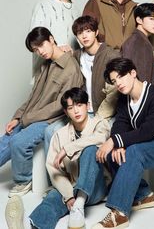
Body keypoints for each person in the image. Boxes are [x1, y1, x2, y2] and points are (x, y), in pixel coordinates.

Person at [92, 58, 154, 228]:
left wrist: (115, 140)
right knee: (114, 153)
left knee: (134, 152)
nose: (119, 84)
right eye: (115, 81)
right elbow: (120, 123)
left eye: (121, 77)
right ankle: (144, 195)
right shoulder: (124, 99)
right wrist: (118, 144)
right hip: (153, 142)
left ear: (133, 73)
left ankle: (120, 213)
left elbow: (148, 131)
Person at [5, 87, 111, 229]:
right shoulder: (59, 135)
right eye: (71, 108)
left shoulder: (100, 124)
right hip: (72, 187)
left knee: (90, 149)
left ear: (88, 106)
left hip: (96, 188)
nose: (76, 111)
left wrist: (67, 149)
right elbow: (54, 171)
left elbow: (100, 138)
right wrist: (69, 196)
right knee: (50, 201)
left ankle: (79, 204)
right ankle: (30, 226)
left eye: (80, 105)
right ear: (66, 112)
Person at [0, 27, 83, 197]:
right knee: (6, 139)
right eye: (35, 49)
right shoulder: (46, 65)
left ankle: (23, 180)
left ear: (52, 39)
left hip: (53, 119)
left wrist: (28, 118)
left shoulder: (70, 68)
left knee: (19, 142)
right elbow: (33, 97)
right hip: (33, 115)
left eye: (41, 45)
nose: (40, 51)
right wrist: (18, 116)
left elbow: (61, 106)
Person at [44, 15, 120, 150]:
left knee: (91, 141)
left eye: (88, 31)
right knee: (50, 131)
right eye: (80, 33)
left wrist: (97, 118)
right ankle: (56, 171)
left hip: (104, 113)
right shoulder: (77, 56)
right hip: (82, 110)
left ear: (96, 32)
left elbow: (114, 94)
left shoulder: (111, 56)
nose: (84, 36)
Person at [30, 0, 79, 75]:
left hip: (72, 70)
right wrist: (57, 49)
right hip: (50, 71)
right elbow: (36, 40)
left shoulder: (76, 9)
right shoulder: (43, 6)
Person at [121, 3, 154, 84]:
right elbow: (138, 77)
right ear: (139, 20)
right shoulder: (138, 42)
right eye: (151, 18)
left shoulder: (141, 40)